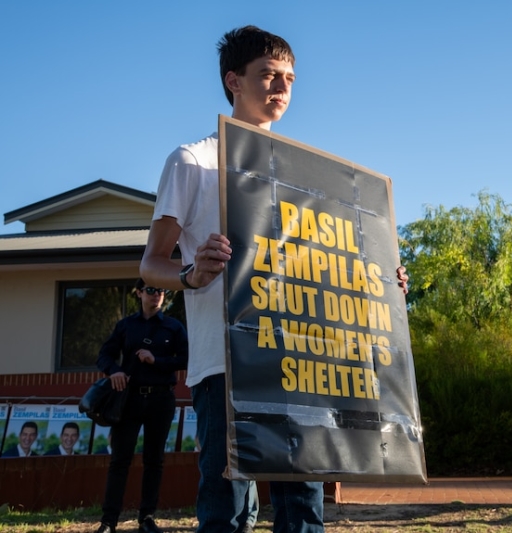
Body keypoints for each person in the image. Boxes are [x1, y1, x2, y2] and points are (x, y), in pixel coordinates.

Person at [139, 25, 409, 533]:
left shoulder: (309, 177)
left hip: (301, 363)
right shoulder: (193, 161)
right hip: (225, 364)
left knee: (304, 511)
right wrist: (193, 275)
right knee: (227, 510)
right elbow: (151, 264)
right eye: (267, 74)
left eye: (289, 77)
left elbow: (329, 269)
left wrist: (381, 284)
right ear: (233, 81)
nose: (281, 86)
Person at [94, 279, 189, 533]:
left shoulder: (173, 327)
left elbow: (186, 359)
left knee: (154, 460)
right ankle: (108, 521)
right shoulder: (126, 326)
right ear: (139, 293)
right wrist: (114, 370)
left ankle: (146, 518)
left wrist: (155, 360)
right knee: (120, 460)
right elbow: (104, 355)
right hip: (129, 399)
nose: (156, 294)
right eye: (150, 290)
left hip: (161, 399)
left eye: (161, 290)